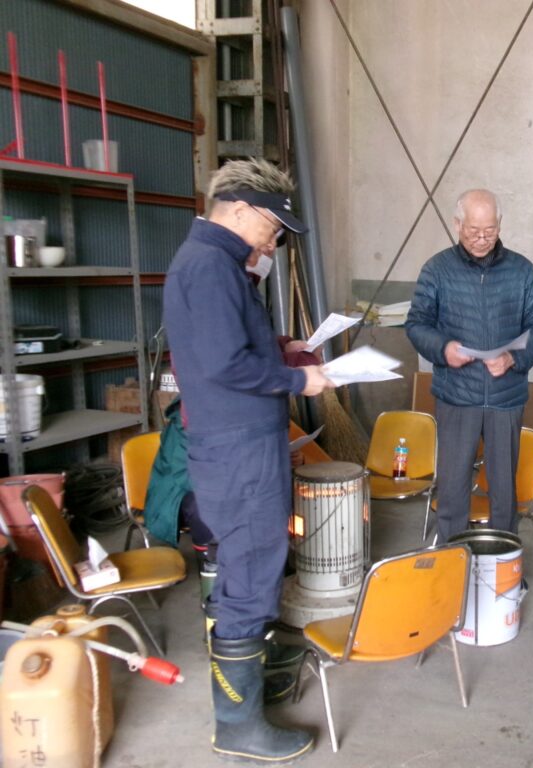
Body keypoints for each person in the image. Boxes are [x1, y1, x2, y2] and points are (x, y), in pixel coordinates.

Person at [163, 157, 335, 763]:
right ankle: (237, 725)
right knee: (249, 574)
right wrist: (300, 381)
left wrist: (280, 348)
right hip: (238, 452)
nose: (275, 239)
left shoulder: (217, 264)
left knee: (253, 566)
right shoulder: (211, 267)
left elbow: (230, 345)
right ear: (238, 210)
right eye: (272, 225)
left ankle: (252, 684)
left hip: (241, 444)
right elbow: (225, 364)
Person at [406, 189, 533, 545]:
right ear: (457, 224)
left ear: (499, 224)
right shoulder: (438, 269)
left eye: (490, 230)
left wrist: (514, 358)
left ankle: (503, 563)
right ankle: (452, 561)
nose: (482, 239)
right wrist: (443, 348)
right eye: (474, 230)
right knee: (453, 488)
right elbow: (416, 324)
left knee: (504, 490)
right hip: (457, 395)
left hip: (506, 397)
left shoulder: (521, 271)